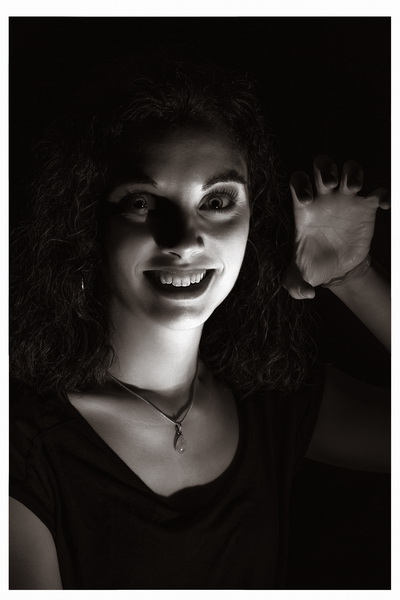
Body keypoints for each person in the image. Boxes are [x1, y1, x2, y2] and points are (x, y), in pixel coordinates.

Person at [9, 58, 390, 590]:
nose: (184, 239)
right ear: (87, 222)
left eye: (217, 201)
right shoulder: (22, 448)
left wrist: (354, 278)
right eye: (142, 202)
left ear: (252, 220)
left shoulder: (272, 403)